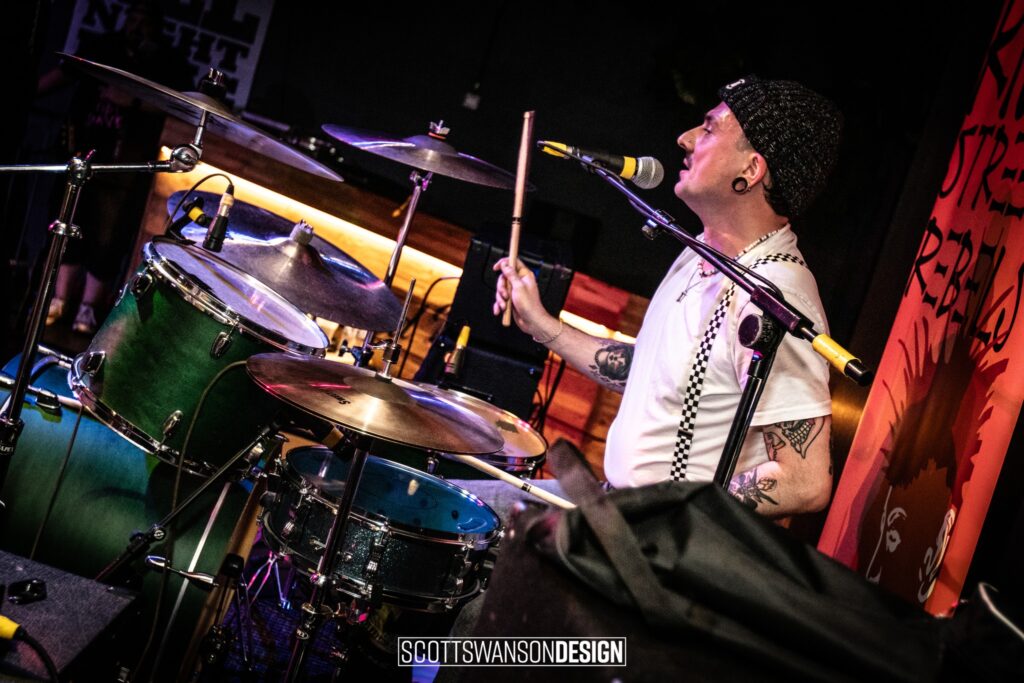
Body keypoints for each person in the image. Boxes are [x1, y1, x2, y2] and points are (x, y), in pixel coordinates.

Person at [493, 76, 841, 517]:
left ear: (751, 171)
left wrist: (667, 516)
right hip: (613, 503)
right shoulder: (701, 250)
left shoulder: (776, 293)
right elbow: (648, 373)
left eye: (709, 129)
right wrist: (542, 326)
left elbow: (805, 481)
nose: (685, 139)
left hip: (651, 536)